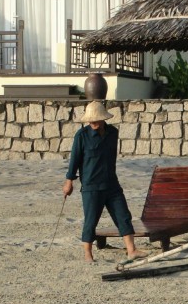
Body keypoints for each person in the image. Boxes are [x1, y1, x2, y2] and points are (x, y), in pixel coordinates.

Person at [62, 101, 146, 263]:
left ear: (103, 119)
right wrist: (69, 181)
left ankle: (131, 250)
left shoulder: (113, 133)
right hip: (91, 186)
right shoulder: (82, 136)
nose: (92, 122)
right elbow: (75, 160)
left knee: (123, 216)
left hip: (112, 184)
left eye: (96, 119)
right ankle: (88, 253)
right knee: (91, 220)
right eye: (90, 120)